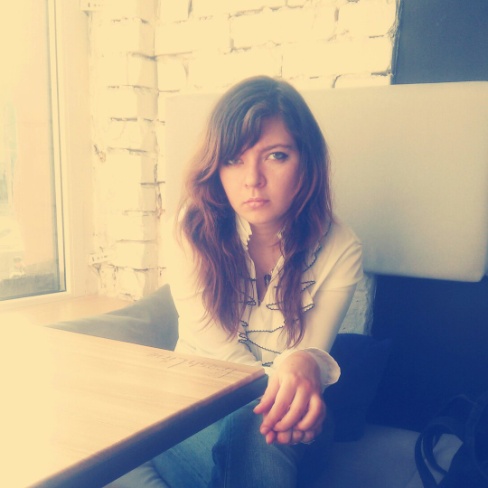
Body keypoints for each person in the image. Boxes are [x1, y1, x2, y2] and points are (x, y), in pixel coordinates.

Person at [152, 75, 363, 487]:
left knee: (258, 426)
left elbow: (311, 353)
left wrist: (307, 364)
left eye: (276, 156)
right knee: (252, 427)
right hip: (194, 409)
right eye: (234, 159)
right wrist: (295, 369)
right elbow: (224, 357)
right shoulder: (187, 232)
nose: (252, 179)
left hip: (293, 421)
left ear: (306, 162)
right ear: (216, 167)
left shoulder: (341, 248)